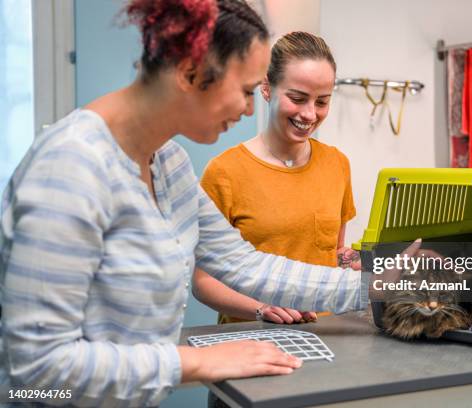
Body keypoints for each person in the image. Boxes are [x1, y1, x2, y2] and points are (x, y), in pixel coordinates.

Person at [0, 0, 419, 406]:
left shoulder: (167, 163)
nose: (248, 108)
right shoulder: (71, 168)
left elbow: (244, 265)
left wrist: (375, 287)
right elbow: (36, 374)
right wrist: (198, 361)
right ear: (189, 72)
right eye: (246, 90)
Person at [195, 31, 361, 326]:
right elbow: (203, 280)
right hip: (249, 336)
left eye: (322, 101)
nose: (310, 114)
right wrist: (260, 308)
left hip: (325, 331)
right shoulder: (224, 172)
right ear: (266, 87)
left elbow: (331, 254)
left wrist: (353, 261)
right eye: (297, 98)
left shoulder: (337, 164)